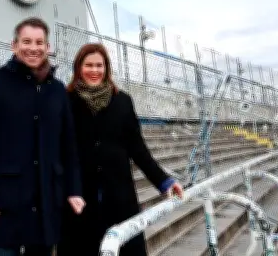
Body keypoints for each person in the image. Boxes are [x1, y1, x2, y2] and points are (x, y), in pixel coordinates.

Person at [0, 17, 86, 256]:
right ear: (14, 45)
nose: (34, 48)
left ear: (48, 47)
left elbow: (68, 146)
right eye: (27, 41)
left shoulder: (57, 90)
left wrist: (74, 190)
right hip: (5, 201)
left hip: (47, 200)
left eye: (40, 42)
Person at [56, 43, 185, 256]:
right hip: (78, 201)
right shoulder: (65, 101)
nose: (94, 70)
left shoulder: (123, 101)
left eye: (100, 65)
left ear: (107, 68)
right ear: (78, 67)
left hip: (119, 199)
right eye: (89, 65)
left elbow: (138, 149)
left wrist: (164, 181)